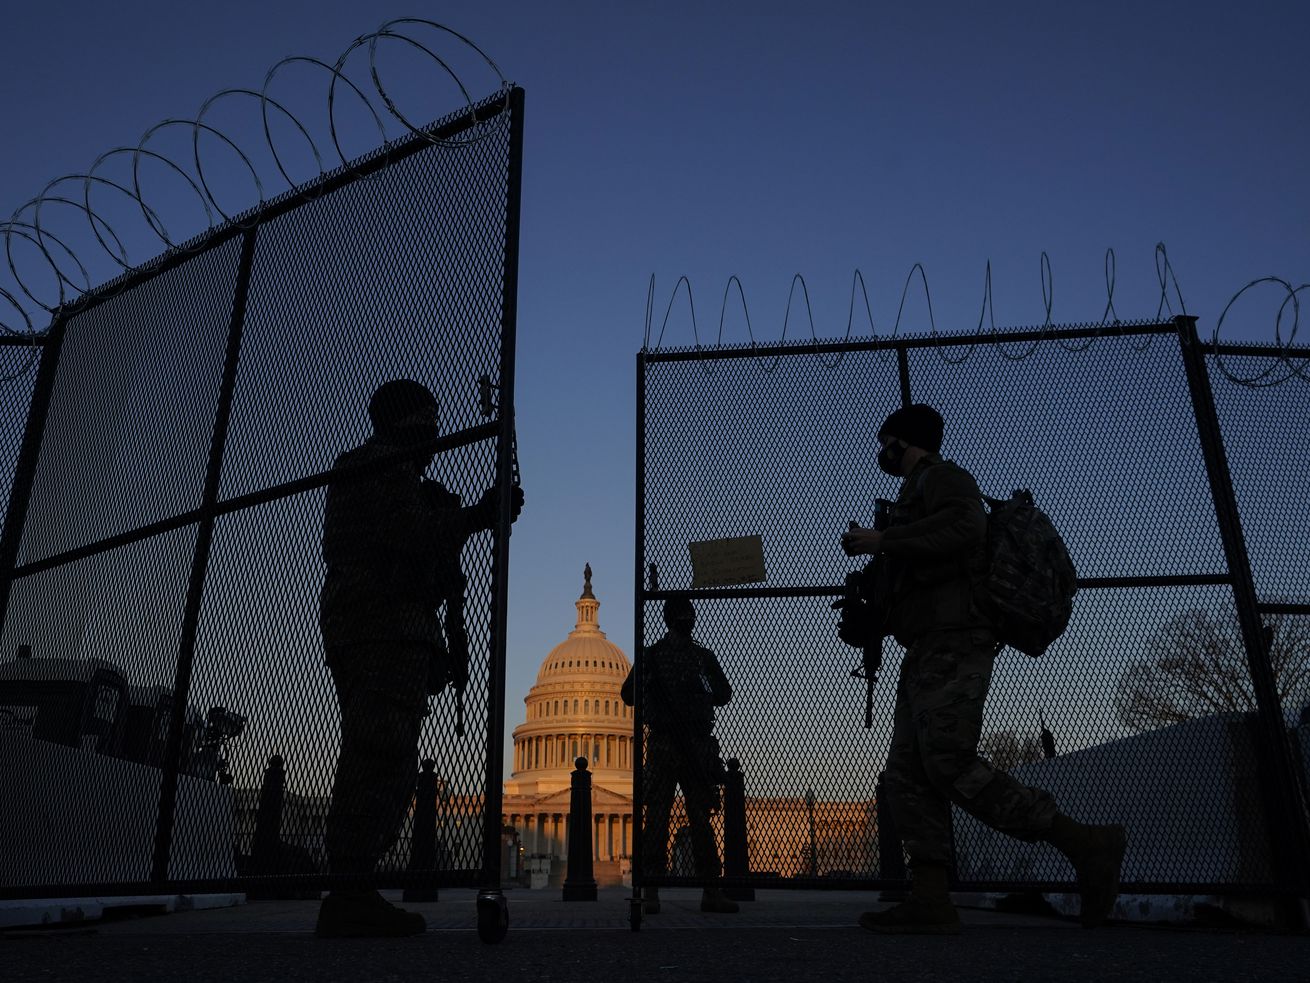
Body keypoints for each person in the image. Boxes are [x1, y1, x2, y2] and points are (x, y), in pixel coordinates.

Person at [840, 403, 1125, 934]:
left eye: (886, 442)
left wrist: (885, 541)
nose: (881, 453)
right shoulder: (911, 494)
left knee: (947, 760)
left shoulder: (943, 477)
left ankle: (1084, 843)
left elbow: (966, 527)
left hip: (957, 638)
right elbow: (922, 569)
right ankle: (929, 896)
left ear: (904, 442)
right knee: (907, 769)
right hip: (925, 644)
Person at [315, 378, 522, 938]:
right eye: (428, 422)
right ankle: (351, 890)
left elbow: (421, 544)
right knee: (380, 755)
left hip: (382, 629)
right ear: (408, 424)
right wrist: (478, 516)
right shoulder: (377, 467)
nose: (435, 435)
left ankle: (353, 887)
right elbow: (407, 535)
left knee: (381, 756)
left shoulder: (395, 475)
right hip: (378, 628)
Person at [621, 596, 738, 914]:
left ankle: (664, 891)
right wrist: (658, 685)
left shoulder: (670, 656)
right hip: (678, 744)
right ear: (681, 619)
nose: (690, 618)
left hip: (680, 745)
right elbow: (627, 694)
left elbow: (723, 693)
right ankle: (687, 891)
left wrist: (685, 688)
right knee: (678, 818)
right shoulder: (681, 656)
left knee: (676, 818)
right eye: (687, 614)